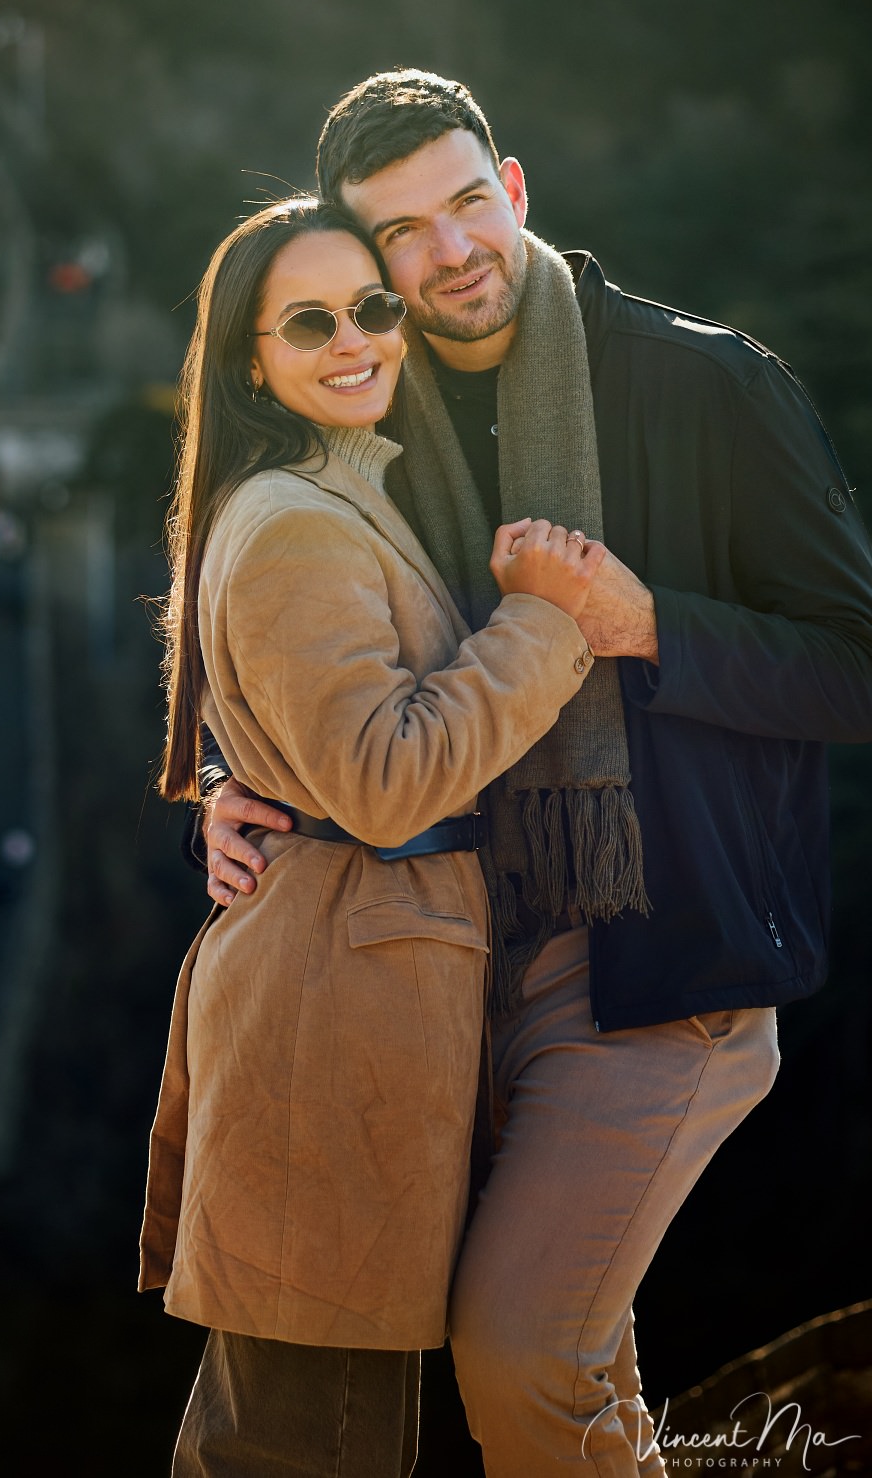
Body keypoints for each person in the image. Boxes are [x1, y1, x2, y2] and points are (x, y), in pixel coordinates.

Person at [202, 71, 872, 1476]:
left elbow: (853, 661)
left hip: (664, 956)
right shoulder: (376, 431)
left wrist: (648, 628)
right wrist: (242, 783)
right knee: (562, 1371)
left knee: (517, 1355)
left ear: (512, 191)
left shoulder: (708, 383)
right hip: (459, 966)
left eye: (466, 203)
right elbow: (350, 649)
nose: (451, 252)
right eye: (402, 234)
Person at [139, 196, 607, 1477]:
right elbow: (389, 782)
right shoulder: (296, 519)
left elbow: (315, 741)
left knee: (289, 1435)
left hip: (348, 1000)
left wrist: (245, 785)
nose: (356, 340)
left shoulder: (333, 496)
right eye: (310, 322)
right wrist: (547, 622)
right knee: (309, 1445)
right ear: (251, 358)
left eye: (373, 307)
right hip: (332, 1021)